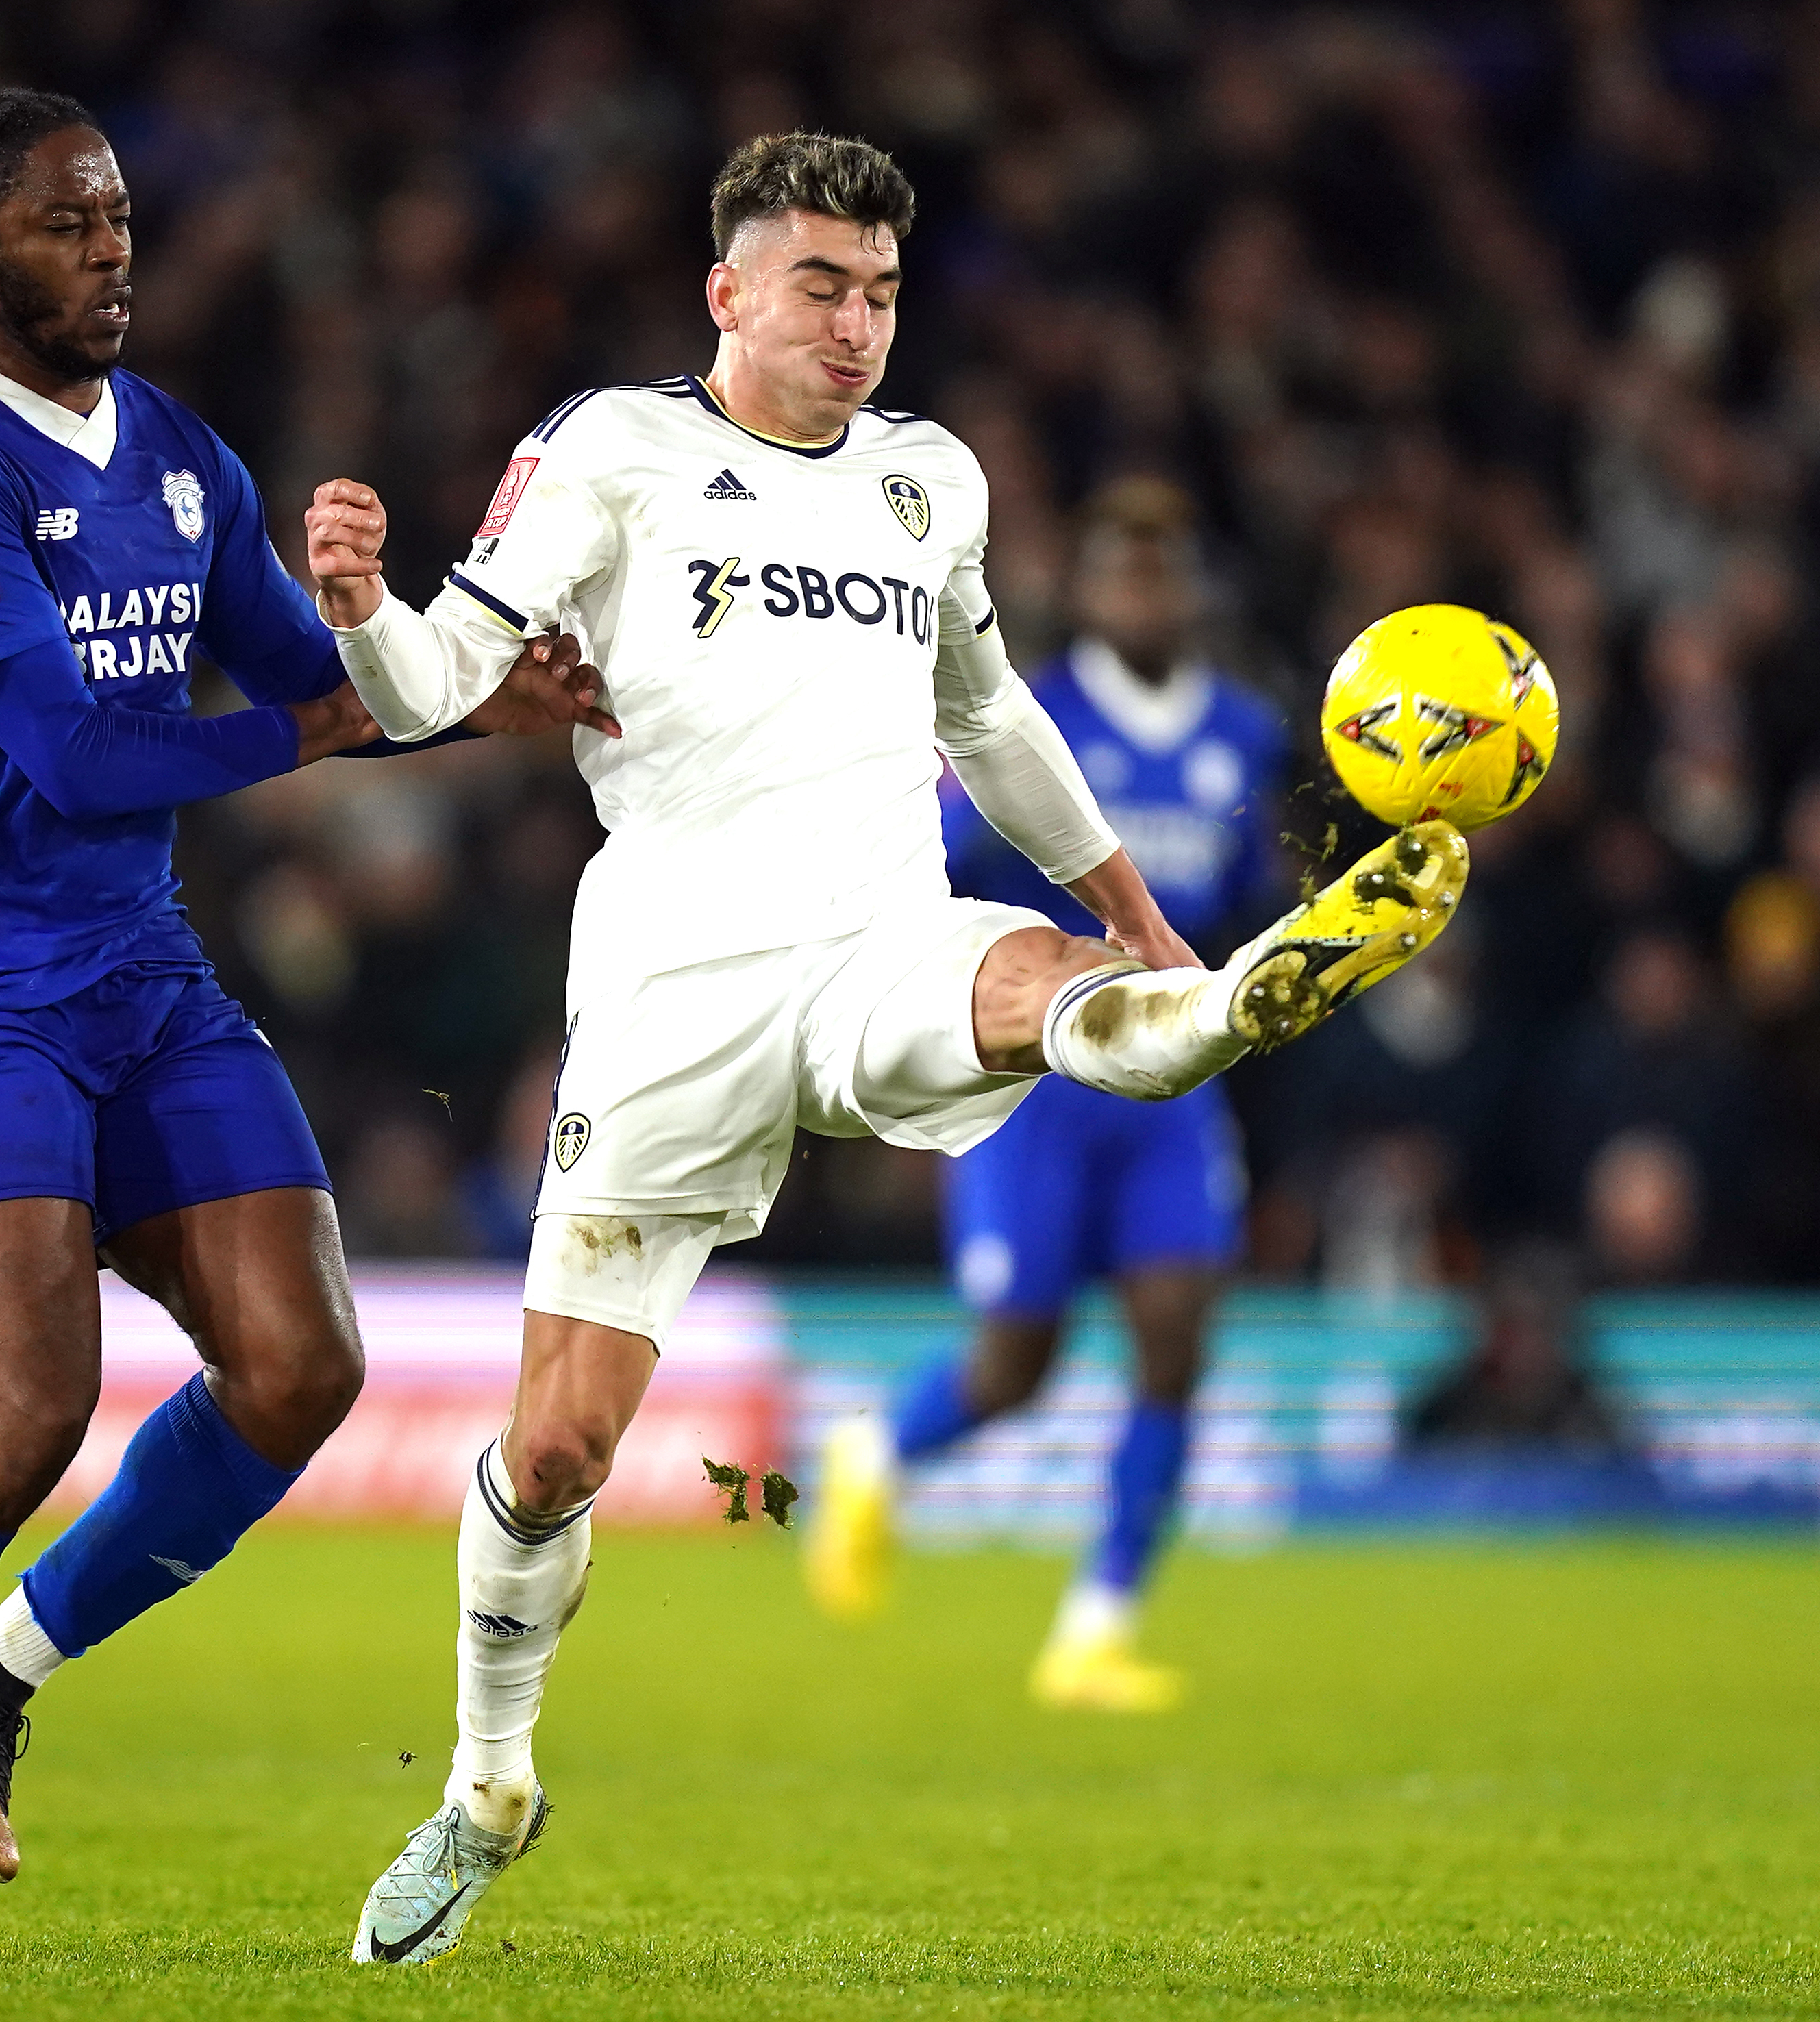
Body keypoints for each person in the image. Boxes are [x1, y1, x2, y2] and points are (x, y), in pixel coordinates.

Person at [306, 131, 1468, 1964]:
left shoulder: (929, 484)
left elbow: (987, 719)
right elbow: (437, 692)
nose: (856, 326)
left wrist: (1135, 910)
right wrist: (364, 613)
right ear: (730, 293)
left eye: (881, 293)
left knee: (1053, 994)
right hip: (674, 983)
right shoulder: (612, 449)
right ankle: (485, 1786)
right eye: (821, 286)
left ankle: (1208, 1001)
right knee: (552, 1457)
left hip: (876, 939)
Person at [0, 88, 608, 1960]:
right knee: (24, 1406)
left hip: (135, 973)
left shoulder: (179, 457)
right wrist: (337, 729)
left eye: (116, 218)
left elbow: (306, 672)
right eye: (62, 225)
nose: (110, 249)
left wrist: (474, 686)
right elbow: (78, 751)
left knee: (300, 1369)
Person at [797, 478, 1290, 1714]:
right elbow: (934, 863)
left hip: (1172, 1086)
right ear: (1083, 587)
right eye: (1120, 569)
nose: (1142, 589)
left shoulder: (1248, 731)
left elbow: (1244, 899)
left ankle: (1097, 1625)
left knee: (1174, 1339)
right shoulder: (1026, 715)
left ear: (1189, 588)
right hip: (1034, 1080)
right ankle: (875, 1452)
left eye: (1160, 569)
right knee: (1021, 1357)